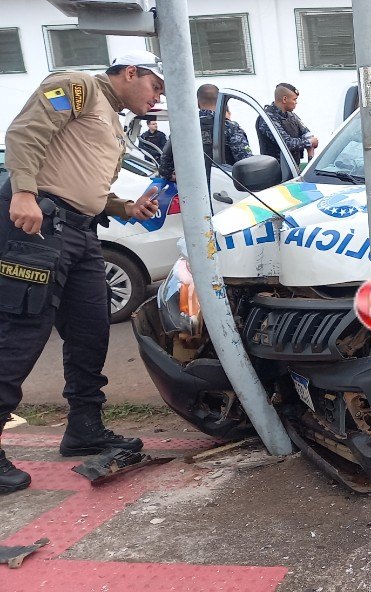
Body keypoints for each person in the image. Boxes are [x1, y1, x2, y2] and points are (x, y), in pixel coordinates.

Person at [0, 50, 164, 493]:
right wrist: (24, 194)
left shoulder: (113, 117)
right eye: (155, 86)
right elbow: (25, 133)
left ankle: (84, 428)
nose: (158, 97)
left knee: (92, 330)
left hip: (80, 233)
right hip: (38, 228)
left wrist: (124, 207)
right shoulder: (77, 86)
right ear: (131, 72)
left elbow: (84, 185)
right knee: (21, 332)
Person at [157, 83, 253, 183]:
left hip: (191, 189)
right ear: (222, 103)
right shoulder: (230, 128)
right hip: (226, 189)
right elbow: (247, 164)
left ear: (197, 103)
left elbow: (165, 164)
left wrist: (172, 177)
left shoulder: (183, 128)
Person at [256, 83, 317, 166]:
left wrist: (310, 143)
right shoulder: (267, 118)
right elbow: (287, 144)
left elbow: (307, 133)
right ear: (284, 99)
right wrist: (309, 142)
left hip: (293, 168)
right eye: (294, 99)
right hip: (275, 172)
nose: (296, 102)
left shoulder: (291, 115)